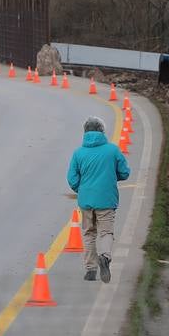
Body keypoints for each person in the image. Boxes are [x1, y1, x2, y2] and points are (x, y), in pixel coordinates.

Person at [67, 116, 131, 282]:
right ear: (102, 131)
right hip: (106, 199)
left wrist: (80, 189)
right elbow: (125, 172)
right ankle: (104, 256)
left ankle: (90, 270)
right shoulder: (113, 150)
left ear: (85, 132)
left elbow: (72, 178)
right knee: (105, 232)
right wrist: (111, 177)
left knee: (89, 233)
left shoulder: (78, 153)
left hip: (86, 200)